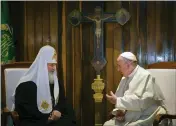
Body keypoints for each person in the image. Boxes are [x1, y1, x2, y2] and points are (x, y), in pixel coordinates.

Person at [12, 45, 76, 126]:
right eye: (51, 65)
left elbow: (62, 101)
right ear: (42, 65)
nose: (54, 68)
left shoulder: (56, 83)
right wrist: (47, 117)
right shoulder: (26, 84)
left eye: (55, 65)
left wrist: (57, 110)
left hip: (54, 121)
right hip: (35, 121)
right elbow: (23, 110)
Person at [103, 52, 166, 126]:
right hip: (129, 116)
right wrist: (120, 111)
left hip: (146, 115)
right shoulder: (125, 78)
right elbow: (121, 98)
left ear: (128, 65)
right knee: (107, 125)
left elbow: (141, 102)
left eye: (119, 66)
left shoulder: (145, 76)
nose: (118, 69)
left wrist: (117, 101)